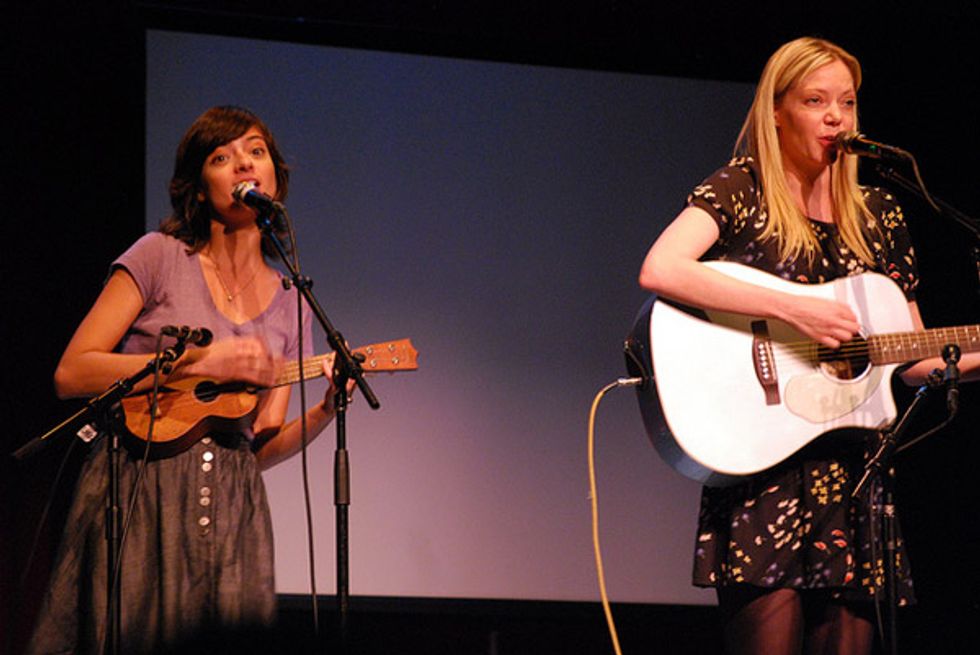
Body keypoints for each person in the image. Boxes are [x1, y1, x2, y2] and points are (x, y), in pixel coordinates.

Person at [638, 37, 979, 655]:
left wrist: (966, 362)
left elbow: (915, 362)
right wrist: (794, 307)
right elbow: (662, 267)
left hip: (856, 477)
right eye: (815, 100)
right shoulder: (744, 189)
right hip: (762, 471)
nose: (835, 117)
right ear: (776, 110)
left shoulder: (879, 215)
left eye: (846, 103)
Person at [27, 106, 345, 654]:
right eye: (222, 157)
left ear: (276, 178)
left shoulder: (294, 301)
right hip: (141, 487)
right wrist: (200, 363)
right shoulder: (159, 257)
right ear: (199, 188)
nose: (243, 163)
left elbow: (261, 445)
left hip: (232, 508)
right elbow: (72, 371)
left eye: (256, 151)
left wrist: (325, 409)